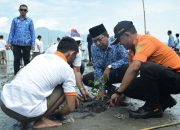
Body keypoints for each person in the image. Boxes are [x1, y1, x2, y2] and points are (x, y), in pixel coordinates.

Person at [0, 37, 78, 129]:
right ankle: (41, 120)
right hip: (25, 114)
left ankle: (30, 112)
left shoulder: (40, 57)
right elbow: (71, 107)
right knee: (63, 90)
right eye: (75, 57)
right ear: (72, 53)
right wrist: (56, 115)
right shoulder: (67, 70)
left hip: (4, 103)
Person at [109, 21, 180, 119]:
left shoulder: (145, 41)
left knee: (146, 67)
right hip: (165, 80)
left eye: (120, 40)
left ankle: (153, 108)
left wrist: (118, 92)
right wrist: (121, 92)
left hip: (176, 78)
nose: (120, 43)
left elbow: (135, 67)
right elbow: (132, 73)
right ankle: (164, 100)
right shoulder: (131, 52)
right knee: (127, 88)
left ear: (127, 35)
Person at [83, 24, 128, 100]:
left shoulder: (116, 41)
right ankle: (113, 89)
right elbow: (97, 68)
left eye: (100, 39)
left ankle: (123, 89)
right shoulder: (93, 47)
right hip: (105, 75)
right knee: (86, 79)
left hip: (118, 72)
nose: (98, 43)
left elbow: (126, 59)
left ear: (107, 35)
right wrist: (101, 88)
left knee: (128, 67)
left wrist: (110, 67)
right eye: (94, 41)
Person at [46, 35, 90, 100]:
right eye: (75, 42)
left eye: (78, 43)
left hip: (64, 67)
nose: (76, 45)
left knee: (82, 66)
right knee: (61, 90)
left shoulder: (77, 52)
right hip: (49, 71)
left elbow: (77, 71)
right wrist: (70, 93)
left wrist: (82, 89)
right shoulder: (54, 51)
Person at [8, 4, 35, 75]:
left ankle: (27, 75)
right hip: (16, 43)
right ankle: (16, 75)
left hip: (27, 44)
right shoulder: (15, 20)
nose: (23, 11)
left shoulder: (30, 21)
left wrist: (33, 43)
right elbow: (12, 31)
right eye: (21, 10)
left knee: (27, 60)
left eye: (25, 10)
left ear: (27, 11)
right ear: (19, 10)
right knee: (16, 60)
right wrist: (9, 42)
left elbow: (32, 32)